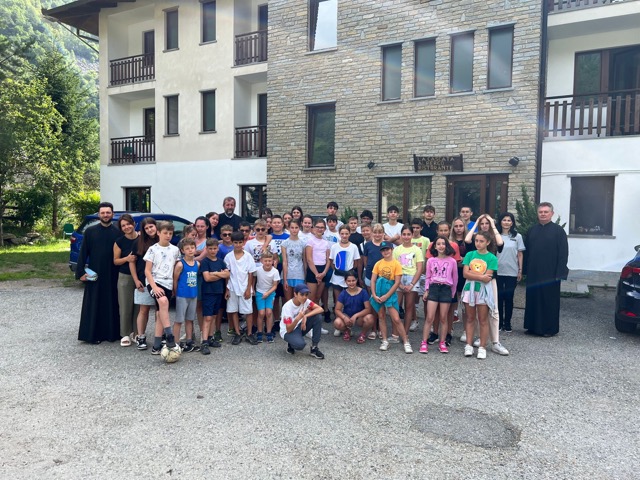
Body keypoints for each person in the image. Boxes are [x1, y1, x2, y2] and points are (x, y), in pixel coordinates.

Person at [76, 202, 121, 344]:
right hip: (94, 272)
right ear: (98, 215)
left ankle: (112, 334)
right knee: (94, 303)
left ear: (112, 214)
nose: (105, 215)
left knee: (112, 303)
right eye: (103, 213)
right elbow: (83, 252)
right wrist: (80, 272)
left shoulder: (118, 232)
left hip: (113, 273)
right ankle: (93, 335)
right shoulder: (90, 231)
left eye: (108, 212)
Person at [524, 202, 569, 337]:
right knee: (533, 299)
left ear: (551, 214)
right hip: (533, 271)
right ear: (537, 213)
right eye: (540, 212)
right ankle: (532, 327)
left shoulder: (558, 231)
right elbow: (527, 252)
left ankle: (549, 329)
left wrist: (560, 272)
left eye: (546, 212)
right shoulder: (532, 230)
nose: (543, 214)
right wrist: (524, 270)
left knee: (549, 301)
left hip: (551, 272)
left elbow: (563, 253)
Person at [144, 221, 181, 355]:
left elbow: (176, 269)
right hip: (154, 282)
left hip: (168, 284)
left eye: (170, 233)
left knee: (161, 313)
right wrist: (154, 287)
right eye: (165, 233)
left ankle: (156, 345)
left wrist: (175, 286)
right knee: (163, 301)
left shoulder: (175, 250)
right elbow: (147, 271)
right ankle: (169, 335)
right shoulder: (153, 249)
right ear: (158, 233)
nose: (168, 235)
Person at [370, 241, 412, 354]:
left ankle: (406, 341)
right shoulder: (378, 263)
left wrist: (387, 295)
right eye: (383, 250)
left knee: (396, 318)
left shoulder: (396, 264)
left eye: (387, 249)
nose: (385, 252)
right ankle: (384, 340)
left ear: (392, 249)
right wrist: (374, 294)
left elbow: (397, 282)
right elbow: (373, 280)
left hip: (390, 292)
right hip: (379, 291)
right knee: (381, 316)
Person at [461, 231, 497, 359]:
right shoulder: (470, 254)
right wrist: (481, 276)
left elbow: (488, 277)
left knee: (483, 319)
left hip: (483, 291)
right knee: (470, 318)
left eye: (481, 241)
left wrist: (473, 274)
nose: (478, 243)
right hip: (469, 290)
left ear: (488, 242)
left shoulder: (492, 258)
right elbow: (465, 274)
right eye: (476, 241)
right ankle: (469, 345)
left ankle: (482, 347)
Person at [421, 236, 458, 354]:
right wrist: (426, 290)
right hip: (434, 288)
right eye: (438, 244)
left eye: (443, 243)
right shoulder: (431, 261)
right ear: (435, 246)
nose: (441, 246)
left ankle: (442, 342)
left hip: (446, 289)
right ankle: (424, 342)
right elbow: (428, 277)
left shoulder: (452, 261)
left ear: (446, 246)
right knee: (430, 317)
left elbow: (455, 278)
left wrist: (452, 293)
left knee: (443, 317)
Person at [225, 231, 258, 345]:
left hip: (245, 288)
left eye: (240, 242)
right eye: (235, 242)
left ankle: (249, 333)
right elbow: (227, 274)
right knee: (233, 310)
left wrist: (249, 288)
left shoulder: (248, 256)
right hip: (232, 287)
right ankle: (237, 332)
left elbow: (250, 273)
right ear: (232, 243)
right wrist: (227, 289)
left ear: (243, 242)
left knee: (248, 311)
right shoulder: (228, 257)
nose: (238, 245)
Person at [131, 218, 158, 350]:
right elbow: (132, 262)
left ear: (156, 226)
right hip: (143, 280)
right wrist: (136, 280)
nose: (149, 230)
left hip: (161, 281)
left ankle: (160, 336)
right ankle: (141, 336)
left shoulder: (162, 240)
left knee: (159, 310)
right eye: (146, 228)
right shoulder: (139, 242)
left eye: (151, 227)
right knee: (144, 309)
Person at [329, 225, 361, 334]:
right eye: (342, 233)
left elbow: (356, 262)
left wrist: (348, 274)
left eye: (346, 233)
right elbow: (332, 262)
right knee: (338, 301)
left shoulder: (353, 247)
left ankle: (348, 326)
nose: (344, 235)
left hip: (349, 279)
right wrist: (339, 272)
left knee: (349, 302)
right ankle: (339, 325)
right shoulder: (334, 247)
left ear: (349, 234)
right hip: (337, 278)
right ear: (339, 234)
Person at [113, 214, 139, 346]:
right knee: (125, 306)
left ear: (133, 223)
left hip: (141, 276)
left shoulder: (141, 238)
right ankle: (125, 334)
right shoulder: (119, 242)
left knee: (139, 307)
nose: (126, 227)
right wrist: (127, 259)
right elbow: (115, 261)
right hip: (125, 276)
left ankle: (136, 332)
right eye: (123, 226)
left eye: (128, 224)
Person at [199, 238, 229, 353]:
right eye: (210, 248)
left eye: (214, 248)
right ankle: (204, 341)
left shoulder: (221, 261)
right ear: (206, 249)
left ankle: (210, 338)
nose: (212, 251)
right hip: (208, 293)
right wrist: (221, 274)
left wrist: (215, 273)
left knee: (215, 316)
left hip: (218, 292)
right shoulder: (205, 262)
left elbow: (227, 274)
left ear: (217, 249)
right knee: (207, 317)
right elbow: (207, 278)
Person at [496, 212, 525, 333]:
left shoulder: (517, 236)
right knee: (498, 298)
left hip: (512, 271)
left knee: (509, 298)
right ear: (500, 222)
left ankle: (507, 323)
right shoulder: (496, 235)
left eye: (509, 220)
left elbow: (520, 254)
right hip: (497, 271)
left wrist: (520, 270)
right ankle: (498, 323)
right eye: (504, 220)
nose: (506, 222)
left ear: (512, 223)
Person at [280, 283, 325, 359]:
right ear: (295, 294)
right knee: (300, 345)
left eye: (306, 295)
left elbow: (320, 309)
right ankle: (291, 344)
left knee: (318, 317)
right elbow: (288, 329)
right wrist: (298, 318)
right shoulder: (287, 307)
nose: (304, 297)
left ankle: (314, 348)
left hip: (300, 325)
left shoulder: (306, 301)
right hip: (288, 332)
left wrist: (305, 316)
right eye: (302, 294)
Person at [393, 226, 424, 334]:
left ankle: (405, 333)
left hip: (412, 277)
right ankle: (395, 333)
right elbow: (393, 267)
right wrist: (399, 284)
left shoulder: (417, 250)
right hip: (399, 277)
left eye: (408, 234)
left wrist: (411, 284)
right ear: (401, 235)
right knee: (395, 306)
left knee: (409, 306)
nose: (406, 237)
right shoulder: (397, 250)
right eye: (404, 234)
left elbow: (419, 268)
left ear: (412, 235)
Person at [172, 238, 200, 353]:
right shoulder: (180, 264)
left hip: (193, 294)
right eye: (187, 248)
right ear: (182, 250)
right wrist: (175, 292)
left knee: (190, 319)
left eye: (192, 248)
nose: (190, 250)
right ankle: (176, 343)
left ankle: (189, 341)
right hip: (182, 295)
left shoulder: (197, 264)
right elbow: (175, 280)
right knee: (179, 320)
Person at [333, 271, 375, 343]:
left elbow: (368, 309)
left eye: (353, 280)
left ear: (357, 280)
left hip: (360, 317)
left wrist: (356, 315)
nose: (351, 283)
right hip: (347, 317)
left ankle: (363, 334)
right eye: (349, 281)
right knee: (337, 322)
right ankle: (347, 331)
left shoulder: (363, 292)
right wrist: (344, 317)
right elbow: (337, 309)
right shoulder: (343, 293)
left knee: (370, 318)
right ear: (345, 281)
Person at [305, 218, 330, 333]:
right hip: (313, 271)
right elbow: (309, 259)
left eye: (322, 227)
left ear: (324, 229)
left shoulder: (326, 243)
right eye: (318, 227)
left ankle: (317, 325)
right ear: (313, 228)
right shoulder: (310, 241)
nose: (320, 229)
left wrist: (323, 273)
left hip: (322, 270)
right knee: (311, 299)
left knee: (318, 298)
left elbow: (328, 259)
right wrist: (316, 274)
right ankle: (307, 326)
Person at [254, 252, 280, 343]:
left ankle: (269, 332)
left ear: (272, 261)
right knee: (261, 313)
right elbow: (252, 277)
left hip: (270, 293)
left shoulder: (275, 271)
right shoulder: (258, 270)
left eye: (269, 261)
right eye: (265, 261)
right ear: (261, 261)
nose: (268, 263)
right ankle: (259, 332)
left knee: (269, 312)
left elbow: (275, 286)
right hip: (260, 293)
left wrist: (268, 293)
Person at [281, 219, 306, 302]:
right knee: (288, 300)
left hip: (299, 274)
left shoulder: (303, 243)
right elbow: (285, 261)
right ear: (289, 228)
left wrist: (305, 275)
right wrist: (285, 279)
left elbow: (304, 260)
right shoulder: (284, 243)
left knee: (298, 299)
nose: (294, 230)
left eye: (296, 227)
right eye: (292, 227)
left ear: (299, 228)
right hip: (288, 274)